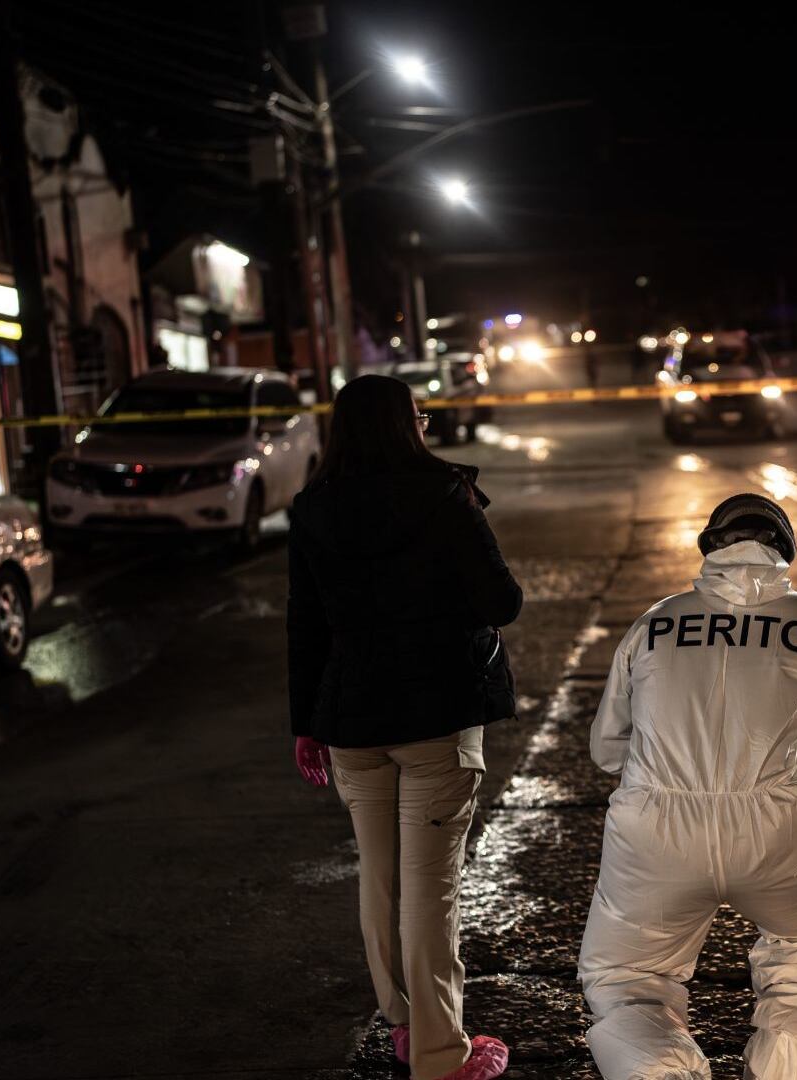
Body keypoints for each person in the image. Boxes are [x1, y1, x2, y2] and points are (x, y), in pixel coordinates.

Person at [579, 494, 797, 1080]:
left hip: (657, 830)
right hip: (781, 831)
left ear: (711, 549)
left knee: (628, 978)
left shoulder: (655, 624)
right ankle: (779, 1069)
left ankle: (664, 1074)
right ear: (785, 551)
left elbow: (606, 750)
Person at [288, 375, 521, 1080]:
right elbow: (501, 601)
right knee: (430, 891)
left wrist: (306, 723)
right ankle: (441, 1054)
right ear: (405, 425)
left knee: (380, 881)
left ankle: (402, 1024)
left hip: (350, 719)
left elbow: (306, 622)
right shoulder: (445, 495)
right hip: (435, 717)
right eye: (419, 417)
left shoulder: (313, 507)